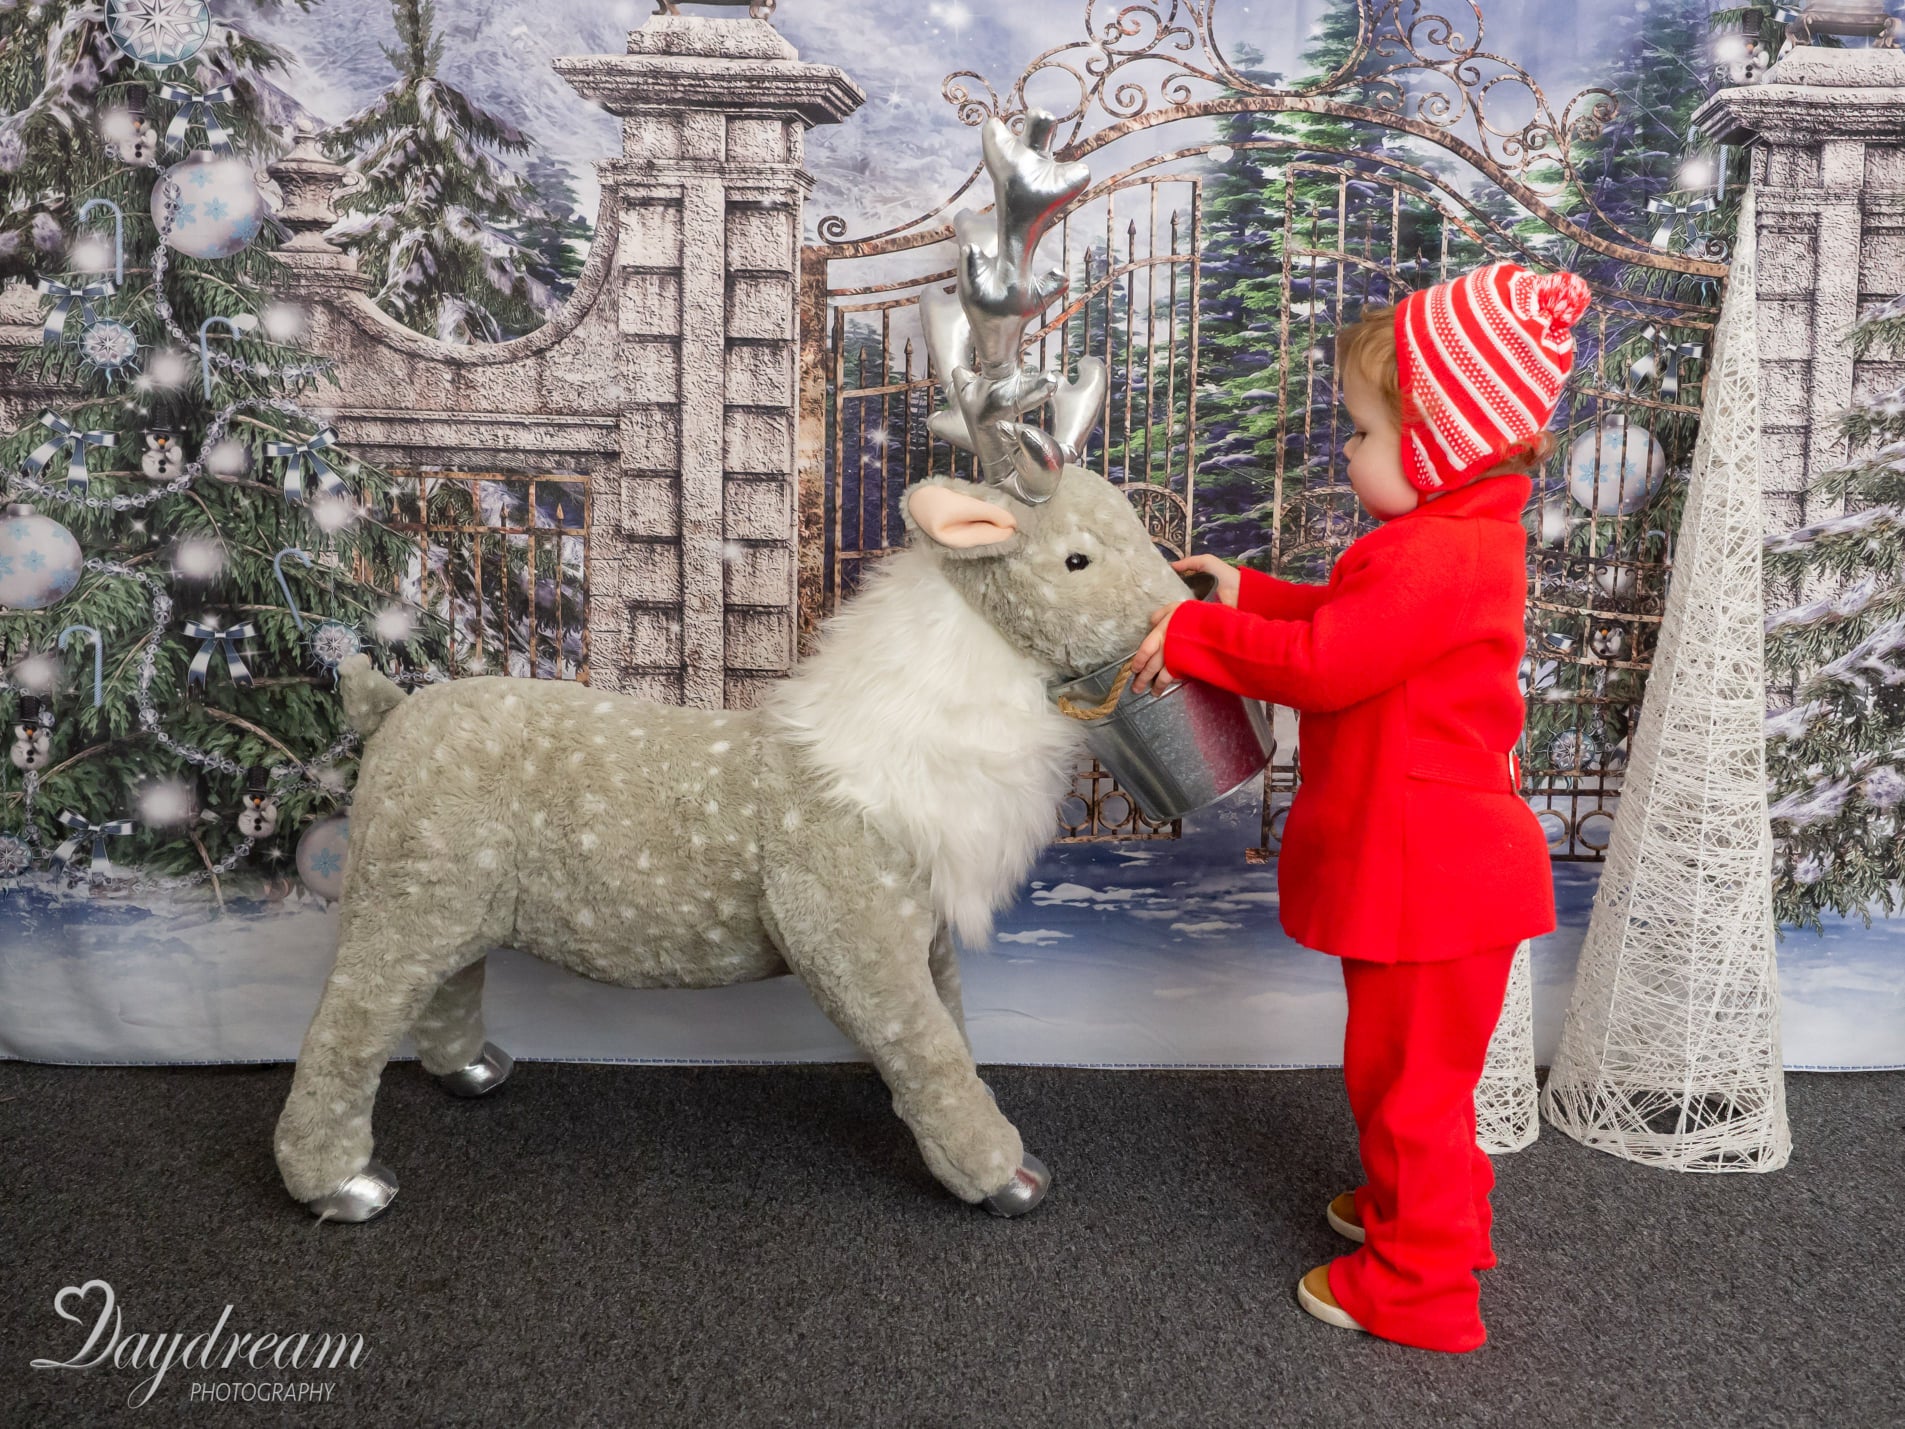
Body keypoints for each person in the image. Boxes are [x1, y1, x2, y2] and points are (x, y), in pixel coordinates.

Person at [1126, 261, 1589, 1353]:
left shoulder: (1438, 554)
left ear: (1442, 449)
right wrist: (1246, 592)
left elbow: (1332, 665)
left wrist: (1194, 635)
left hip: (1429, 881)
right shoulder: (1455, 541)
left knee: (1409, 1090)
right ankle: (1437, 1221)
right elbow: (1353, 616)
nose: (1348, 451)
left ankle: (1421, 1286)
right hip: (1441, 875)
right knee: (1422, 1079)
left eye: (1367, 434)